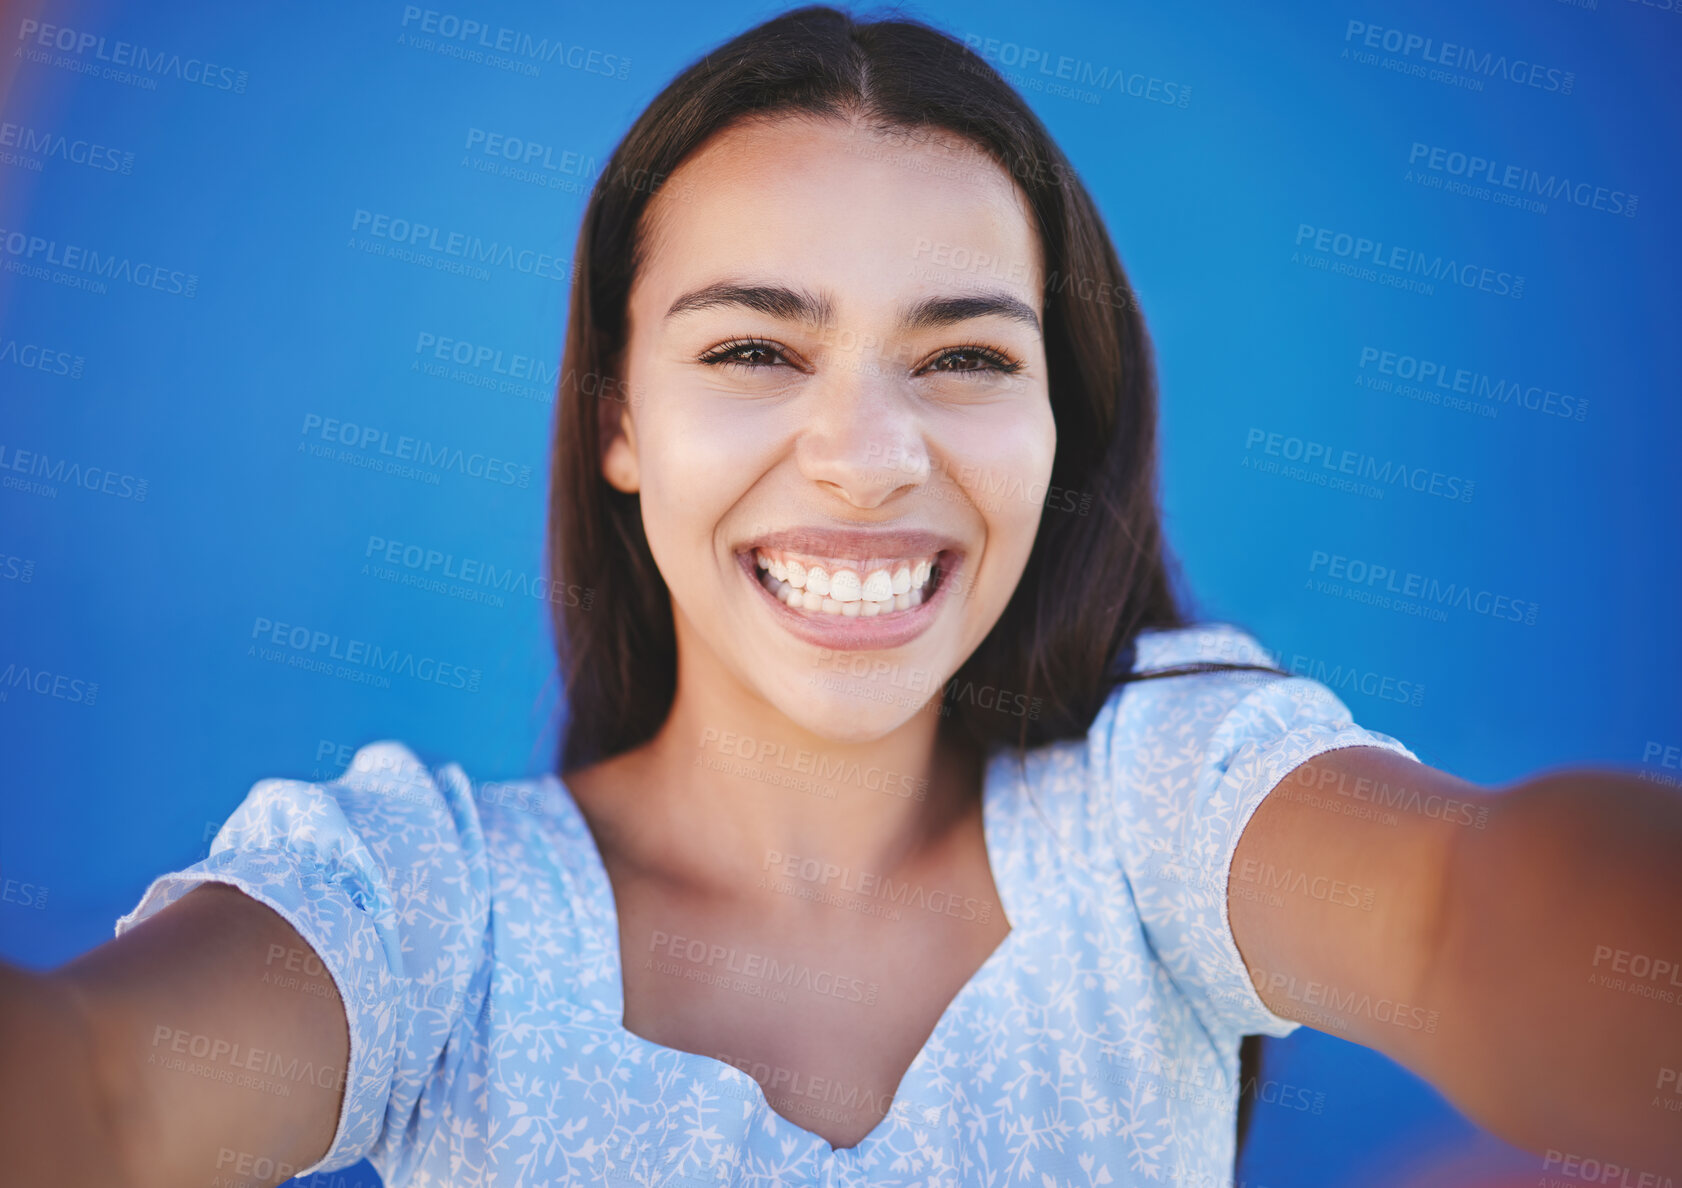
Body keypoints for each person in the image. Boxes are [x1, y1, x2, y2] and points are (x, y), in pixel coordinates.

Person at [3, 6, 1679, 1187]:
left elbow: (1472, 919)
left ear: (1055, 422)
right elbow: (100, 1098)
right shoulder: (424, 911)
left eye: (962, 356)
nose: (869, 455)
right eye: (752, 347)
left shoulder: (1163, 808)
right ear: (615, 421)